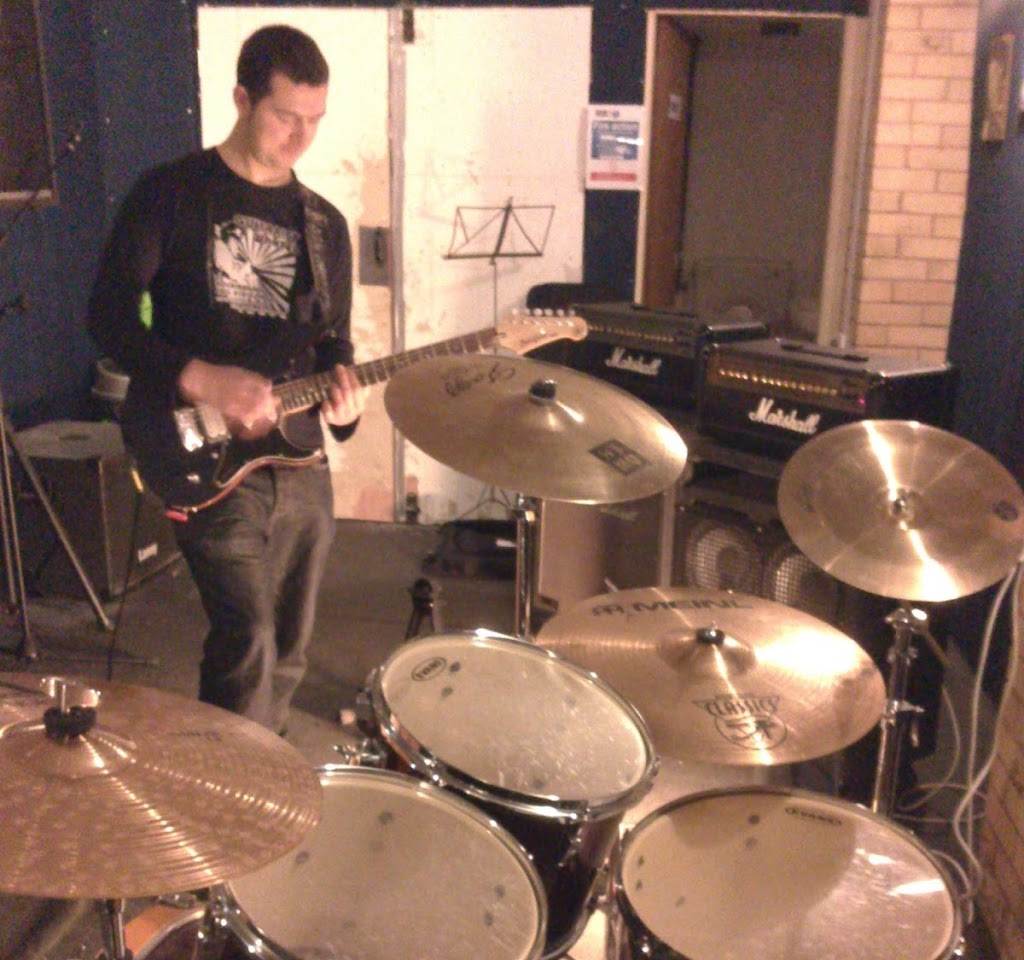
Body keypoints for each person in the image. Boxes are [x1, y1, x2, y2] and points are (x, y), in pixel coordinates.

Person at [88, 24, 367, 734]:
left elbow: (333, 340)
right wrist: (200, 378)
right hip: (199, 447)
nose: (301, 137)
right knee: (249, 637)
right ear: (243, 99)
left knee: (292, 644)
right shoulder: (170, 193)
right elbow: (109, 318)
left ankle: (268, 771)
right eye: (285, 116)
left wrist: (345, 406)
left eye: (315, 120)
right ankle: (228, 785)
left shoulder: (325, 225)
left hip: (299, 455)